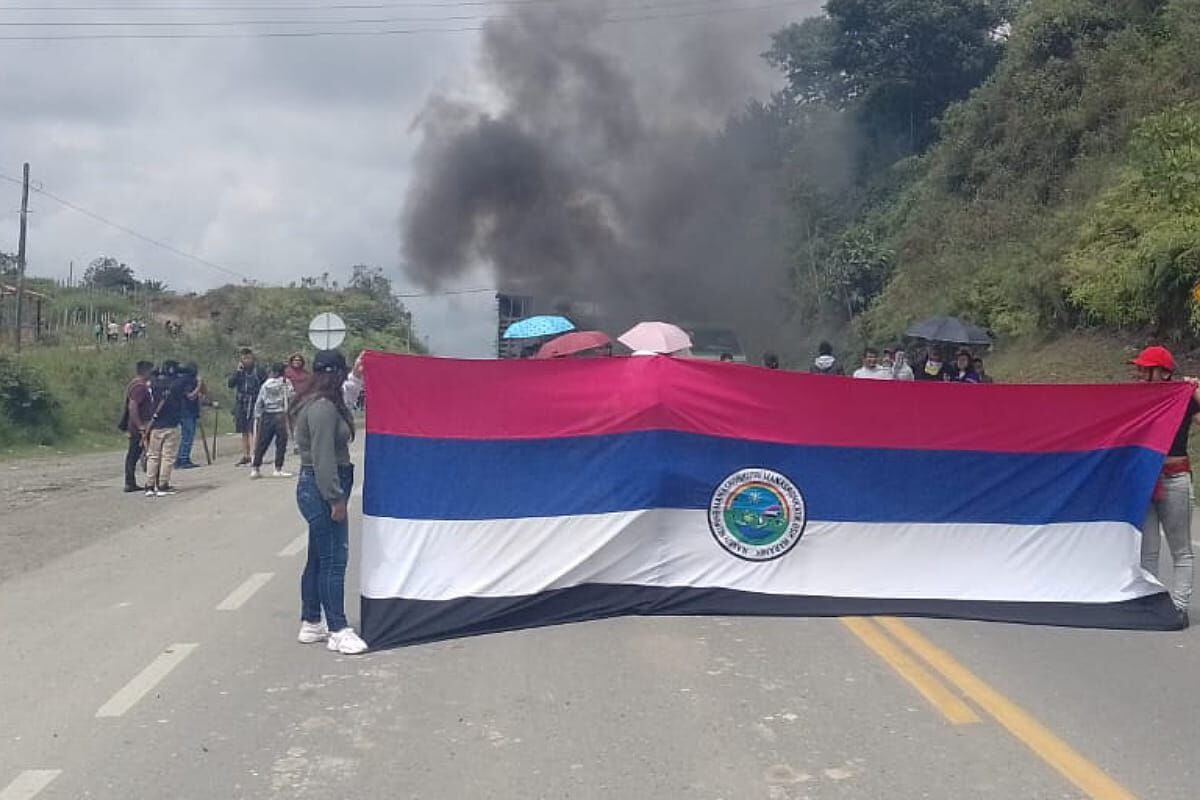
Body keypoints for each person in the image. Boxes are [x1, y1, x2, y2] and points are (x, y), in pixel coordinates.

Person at [292, 349, 368, 655]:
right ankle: (337, 628)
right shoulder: (323, 409)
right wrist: (336, 499)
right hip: (323, 485)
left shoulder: (320, 401)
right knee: (335, 559)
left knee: (318, 556)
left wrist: (358, 376)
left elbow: (347, 397)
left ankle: (312, 620)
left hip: (317, 486)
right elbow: (324, 459)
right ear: (334, 375)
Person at [1134, 345, 1197, 627]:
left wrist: (1192, 387)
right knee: (1148, 547)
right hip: (1146, 479)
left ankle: (1179, 607)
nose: (1140, 373)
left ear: (1163, 372)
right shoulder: (1137, 399)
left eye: (1146, 369)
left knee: (1180, 549)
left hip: (1174, 478)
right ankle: (1151, 603)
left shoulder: (1183, 398)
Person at [144, 360, 184, 497]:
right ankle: (163, 484)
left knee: (153, 456)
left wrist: (156, 372)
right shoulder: (177, 384)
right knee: (168, 456)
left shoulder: (153, 384)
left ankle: (149, 485)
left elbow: (151, 377)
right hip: (172, 424)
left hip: (156, 424)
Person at [251, 363, 295, 479]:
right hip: (280, 414)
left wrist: (257, 415)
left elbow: (260, 400)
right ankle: (278, 468)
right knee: (281, 443)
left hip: (267, 415)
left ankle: (255, 468)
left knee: (262, 442)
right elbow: (291, 396)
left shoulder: (266, 384)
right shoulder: (286, 383)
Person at [228, 348, 267, 466]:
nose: (246, 360)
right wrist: (237, 372)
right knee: (243, 430)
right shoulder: (240, 372)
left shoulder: (259, 370)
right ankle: (246, 455)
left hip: (255, 401)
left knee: (253, 429)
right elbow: (230, 384)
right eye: (244, 358)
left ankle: (255, 454)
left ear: (252, 358)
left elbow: (265, 385)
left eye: (248, 358)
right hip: (241, 403)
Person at [121, 361, 155, 493]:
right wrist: (140, 425)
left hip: (136, 424)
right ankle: (130, 482)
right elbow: (133, 406)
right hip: (138, 426)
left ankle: (131, 482)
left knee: (135, 454)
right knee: (134, 454)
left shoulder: (134, 384)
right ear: (146, 371)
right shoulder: (140, 387)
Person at [175, 362, 204, 470]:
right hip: (186, 412)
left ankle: (180, 458)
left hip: (185, 411)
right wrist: (199, 384)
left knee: (186, 436)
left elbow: (202, 394)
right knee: (188, 436)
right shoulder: (187, 381)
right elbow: (190, 396)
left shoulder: (180, 379)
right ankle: (183, 459)